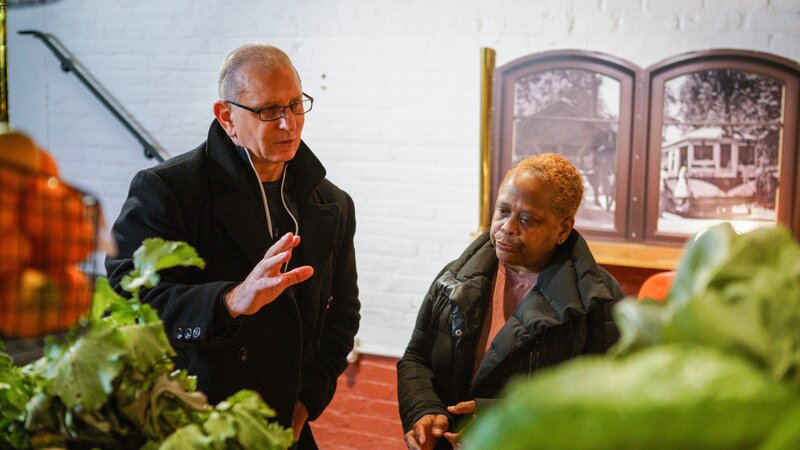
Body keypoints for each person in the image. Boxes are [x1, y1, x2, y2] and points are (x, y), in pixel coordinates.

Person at [106, 44, 360, 449]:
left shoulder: (331, 203)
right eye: (267, 110)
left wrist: (306, 401)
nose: (287, 124)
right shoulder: (169, 190)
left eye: (296, 105)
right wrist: (229, 300)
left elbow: (343, 314)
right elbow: (132, 301)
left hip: (283, 424)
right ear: (226, 117)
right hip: (192, 420)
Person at [397, 153, 624, 450]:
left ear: (563, 229)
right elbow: (416, 358)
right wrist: (424, 410)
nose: (508, 227)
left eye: (527, 219)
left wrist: (500, 420)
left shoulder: (597, 299)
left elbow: (606, 401)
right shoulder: (455, 278)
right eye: (503, 211)